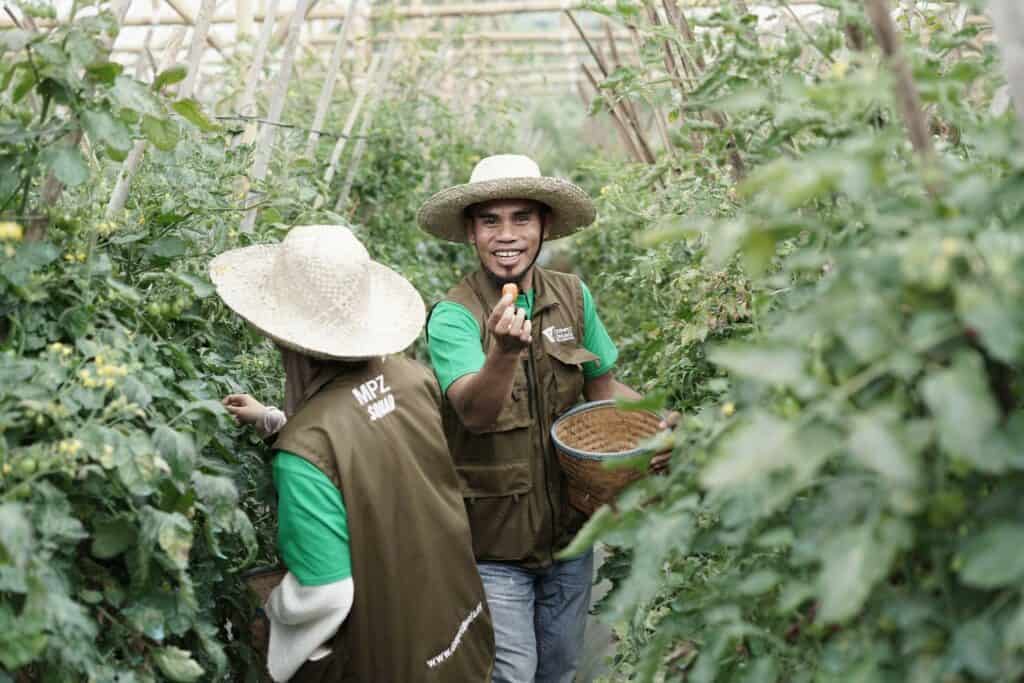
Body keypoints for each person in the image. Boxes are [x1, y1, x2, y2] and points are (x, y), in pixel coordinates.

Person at [417, 154, 669, 683]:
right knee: (514, 674)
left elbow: (601, 386)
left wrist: (655, 423)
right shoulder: (455, 316)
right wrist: (503, 354)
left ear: (545, 225)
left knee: (559, 668)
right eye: (490, 220)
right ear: (470, 231)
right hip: (493, 547)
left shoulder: (573, 298)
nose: (506, 235)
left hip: (571, 537)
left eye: (521, 218)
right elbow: (474, 412)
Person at [210, 224, 494, 682]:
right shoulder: (413, 379)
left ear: (281, 336)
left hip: (390, 661)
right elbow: (373, 448)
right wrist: (273, 422)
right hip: (458, 633)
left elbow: (325, 595)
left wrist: (273, 612)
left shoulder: (304, 453)